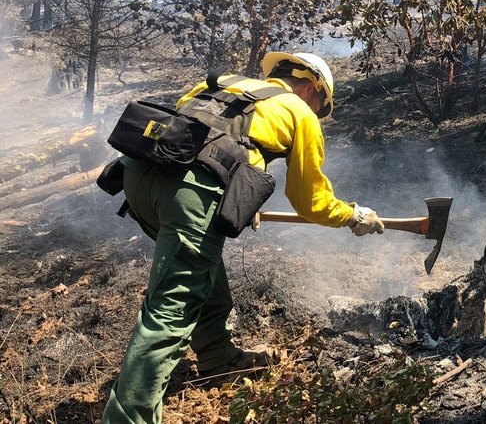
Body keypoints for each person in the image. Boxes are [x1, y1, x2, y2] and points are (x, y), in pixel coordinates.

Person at [102, 52, 385, 423]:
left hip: (137, 178)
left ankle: (218, 358)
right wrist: (352, 216)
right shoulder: (299, 113)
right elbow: (309, 201)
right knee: (172, 310)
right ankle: (127, 418)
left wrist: (233, 197)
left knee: (202, 268)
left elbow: (198, 138)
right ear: (309, 87)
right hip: (189, 194)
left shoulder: (220, 84)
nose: (317, 114)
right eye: (321, 105)